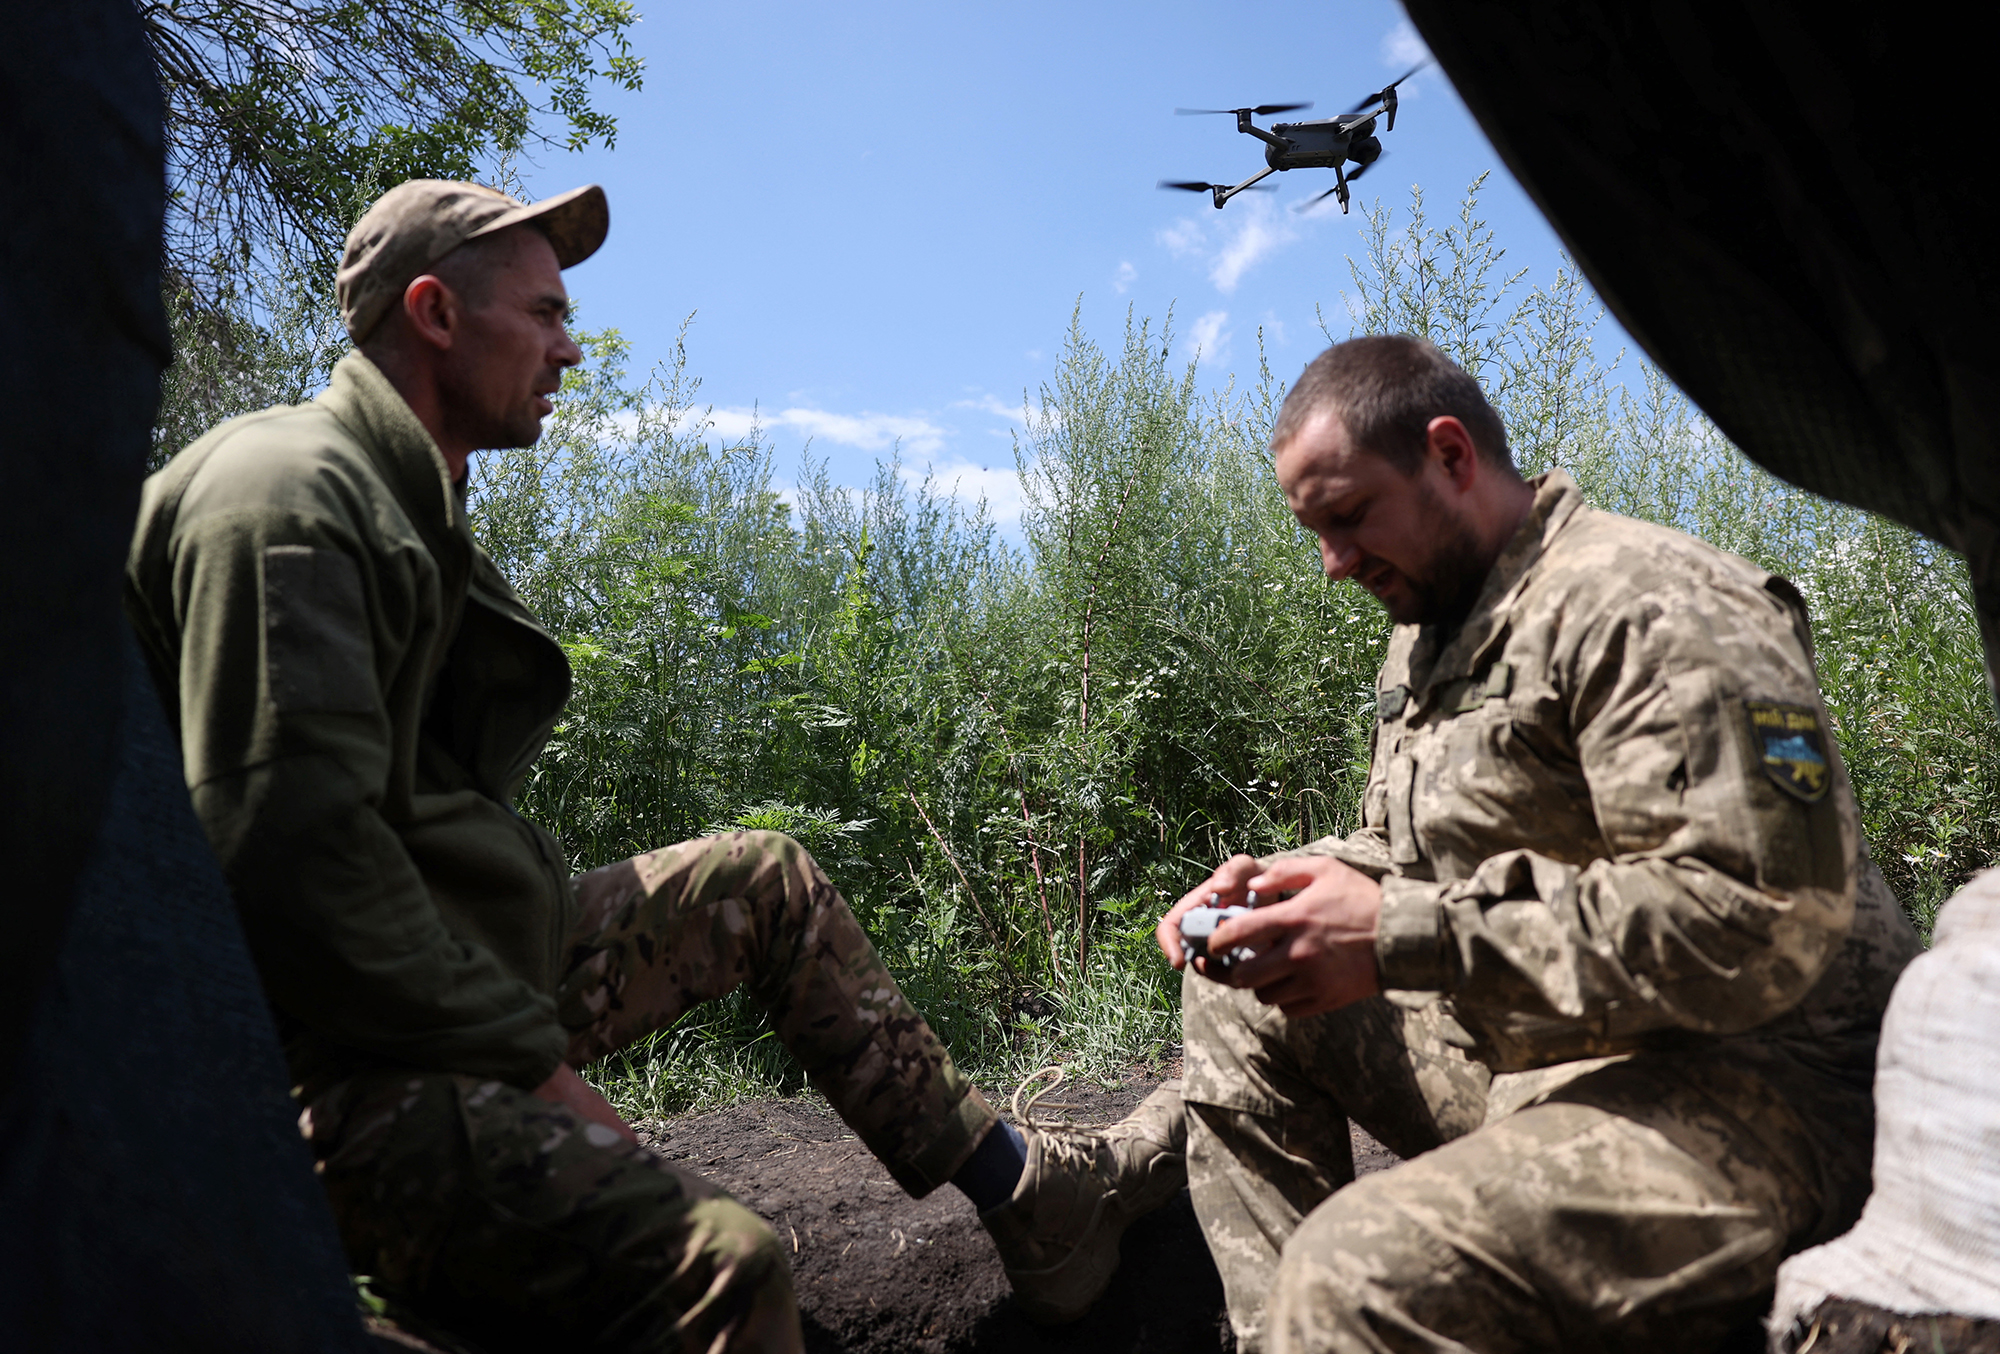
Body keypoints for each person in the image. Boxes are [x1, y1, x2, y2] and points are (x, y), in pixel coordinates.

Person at [123, 178, 1184, 1351]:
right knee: (724, 1267)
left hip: (431, 976)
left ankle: (1032, 1197)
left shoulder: (408, 497)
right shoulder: (285, 498)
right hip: (297, 1061)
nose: (569, 349)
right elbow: (289, 857)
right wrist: (532, 1069)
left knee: (760, 882)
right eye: (544, 314)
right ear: (434, 313)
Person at [1150, 336, 1921, 1353]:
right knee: (1238, 990)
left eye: (1348, 516)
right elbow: (1417, 849)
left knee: (1353, 1272)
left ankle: (1335, 1320)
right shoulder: (1433, 626)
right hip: (1560, 1051)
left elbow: (1757, 919)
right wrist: (1298, 890)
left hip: (1771, 1090)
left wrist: (1400, 933)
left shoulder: (1650, 602)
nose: (1333, 564)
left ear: (1449, 455)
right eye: (1315, 532)